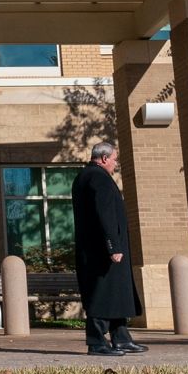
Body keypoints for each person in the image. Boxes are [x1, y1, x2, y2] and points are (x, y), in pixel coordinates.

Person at [70, 142, 146, 356]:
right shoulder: (97, 177)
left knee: (116, 293)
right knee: (103, 294)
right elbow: (105, 214)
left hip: (98, 249)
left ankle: (121, 338)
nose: (115, 164)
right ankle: (96, 342)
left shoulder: (86, 176)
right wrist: (112, 245)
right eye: (114, 159)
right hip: (103, 251)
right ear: (104, 158)